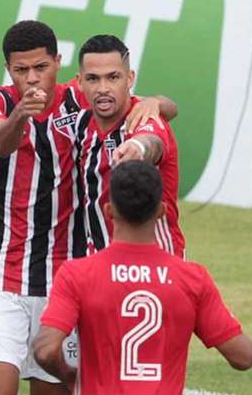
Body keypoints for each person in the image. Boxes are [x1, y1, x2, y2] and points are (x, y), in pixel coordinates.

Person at [0, 20, 177, 395]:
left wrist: (156, 102)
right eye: (20, 70)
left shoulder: (77, 99)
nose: (32, 79)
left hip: (64, 276)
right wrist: (21, 117)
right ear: (8, 69)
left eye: (41, 68)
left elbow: (149, 111)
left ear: (59, 64)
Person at [33, 160, 252, 395]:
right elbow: (241, 356)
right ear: (161, 211)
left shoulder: (78, 274)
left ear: (109, 211)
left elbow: (45, 351)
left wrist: (71, 376)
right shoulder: (192, 278)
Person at [75, 34, 185, 257]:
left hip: (156, 266)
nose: (103, 88)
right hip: (99, 262)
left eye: (113, 77)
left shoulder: (145, 118)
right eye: (93, 79)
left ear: (130, 78)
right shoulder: (80, 122)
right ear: (80, 82)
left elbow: (152, 141)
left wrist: (137, 148)